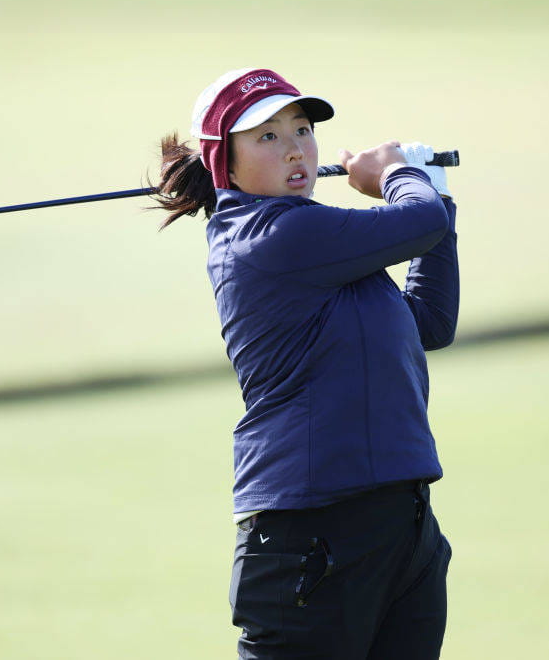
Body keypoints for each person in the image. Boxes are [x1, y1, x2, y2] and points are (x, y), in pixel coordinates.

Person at [152, 68, 459, 660]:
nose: (296, 148)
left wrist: (435, 192)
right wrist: (400, 176)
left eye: (302, 128)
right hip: (312, 535)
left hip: (401, 526)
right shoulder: (269, 236)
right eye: (266, 137)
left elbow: (428, 323)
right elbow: (417, 223)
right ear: (226, 164)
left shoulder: (328, 246)